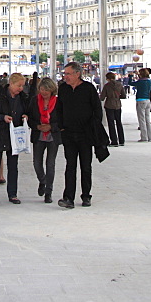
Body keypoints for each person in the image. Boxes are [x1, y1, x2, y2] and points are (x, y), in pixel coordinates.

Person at [56, 61, 103, 208]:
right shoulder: (63, 89)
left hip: (85, 135)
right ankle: (68, 197)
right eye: (65, 74)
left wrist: (93, 128)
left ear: (77, 74)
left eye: (68, 74)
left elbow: (97, 110)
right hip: (68, 134)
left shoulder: (88, 89)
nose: (66, 76)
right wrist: (61, 127)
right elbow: (59, 109)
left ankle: (86, 196)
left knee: (86, 166)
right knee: (70, 166)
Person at [0, 73, 28, 205]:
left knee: (13, 165)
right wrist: (1, 117)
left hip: (14, 135)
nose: (21, 88)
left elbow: (27, 110)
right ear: (11, 84)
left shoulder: (23, 98)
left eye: (22, 86)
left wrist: (26, 116)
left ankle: (13, 194)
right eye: (19, 85)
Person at [28, 76, 61, 202]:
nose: (44, 92)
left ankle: (49, 191)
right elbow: (30, 117)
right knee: (37, 163)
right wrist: (37, 126)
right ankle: (42, 181)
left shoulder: (58, 102)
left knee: (50, 164)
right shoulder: (34, 100)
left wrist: (51, 127)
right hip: (39, 135)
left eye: (46, 90)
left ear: (52, 90)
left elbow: (62, 120)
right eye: (42, 89)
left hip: (53, 136)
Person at [100, 71, 125, 147]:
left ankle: (114, 141)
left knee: (111, 123)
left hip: (109, 105)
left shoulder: (107, 86)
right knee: (118, 122)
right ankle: (121, 140)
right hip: (118, 105)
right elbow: (124, 95)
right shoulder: (119, 84)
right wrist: (117, 97)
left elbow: (102, 97)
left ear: (108, 78)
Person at [133, 67, 151, 141]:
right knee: (147, 119)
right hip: (148, 100)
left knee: (141, 119)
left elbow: (130, 83)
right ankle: (149, 137)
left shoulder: (140, 82)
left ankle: (144, 137)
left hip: (140, 100)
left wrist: (131, 76)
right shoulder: (149, 81)